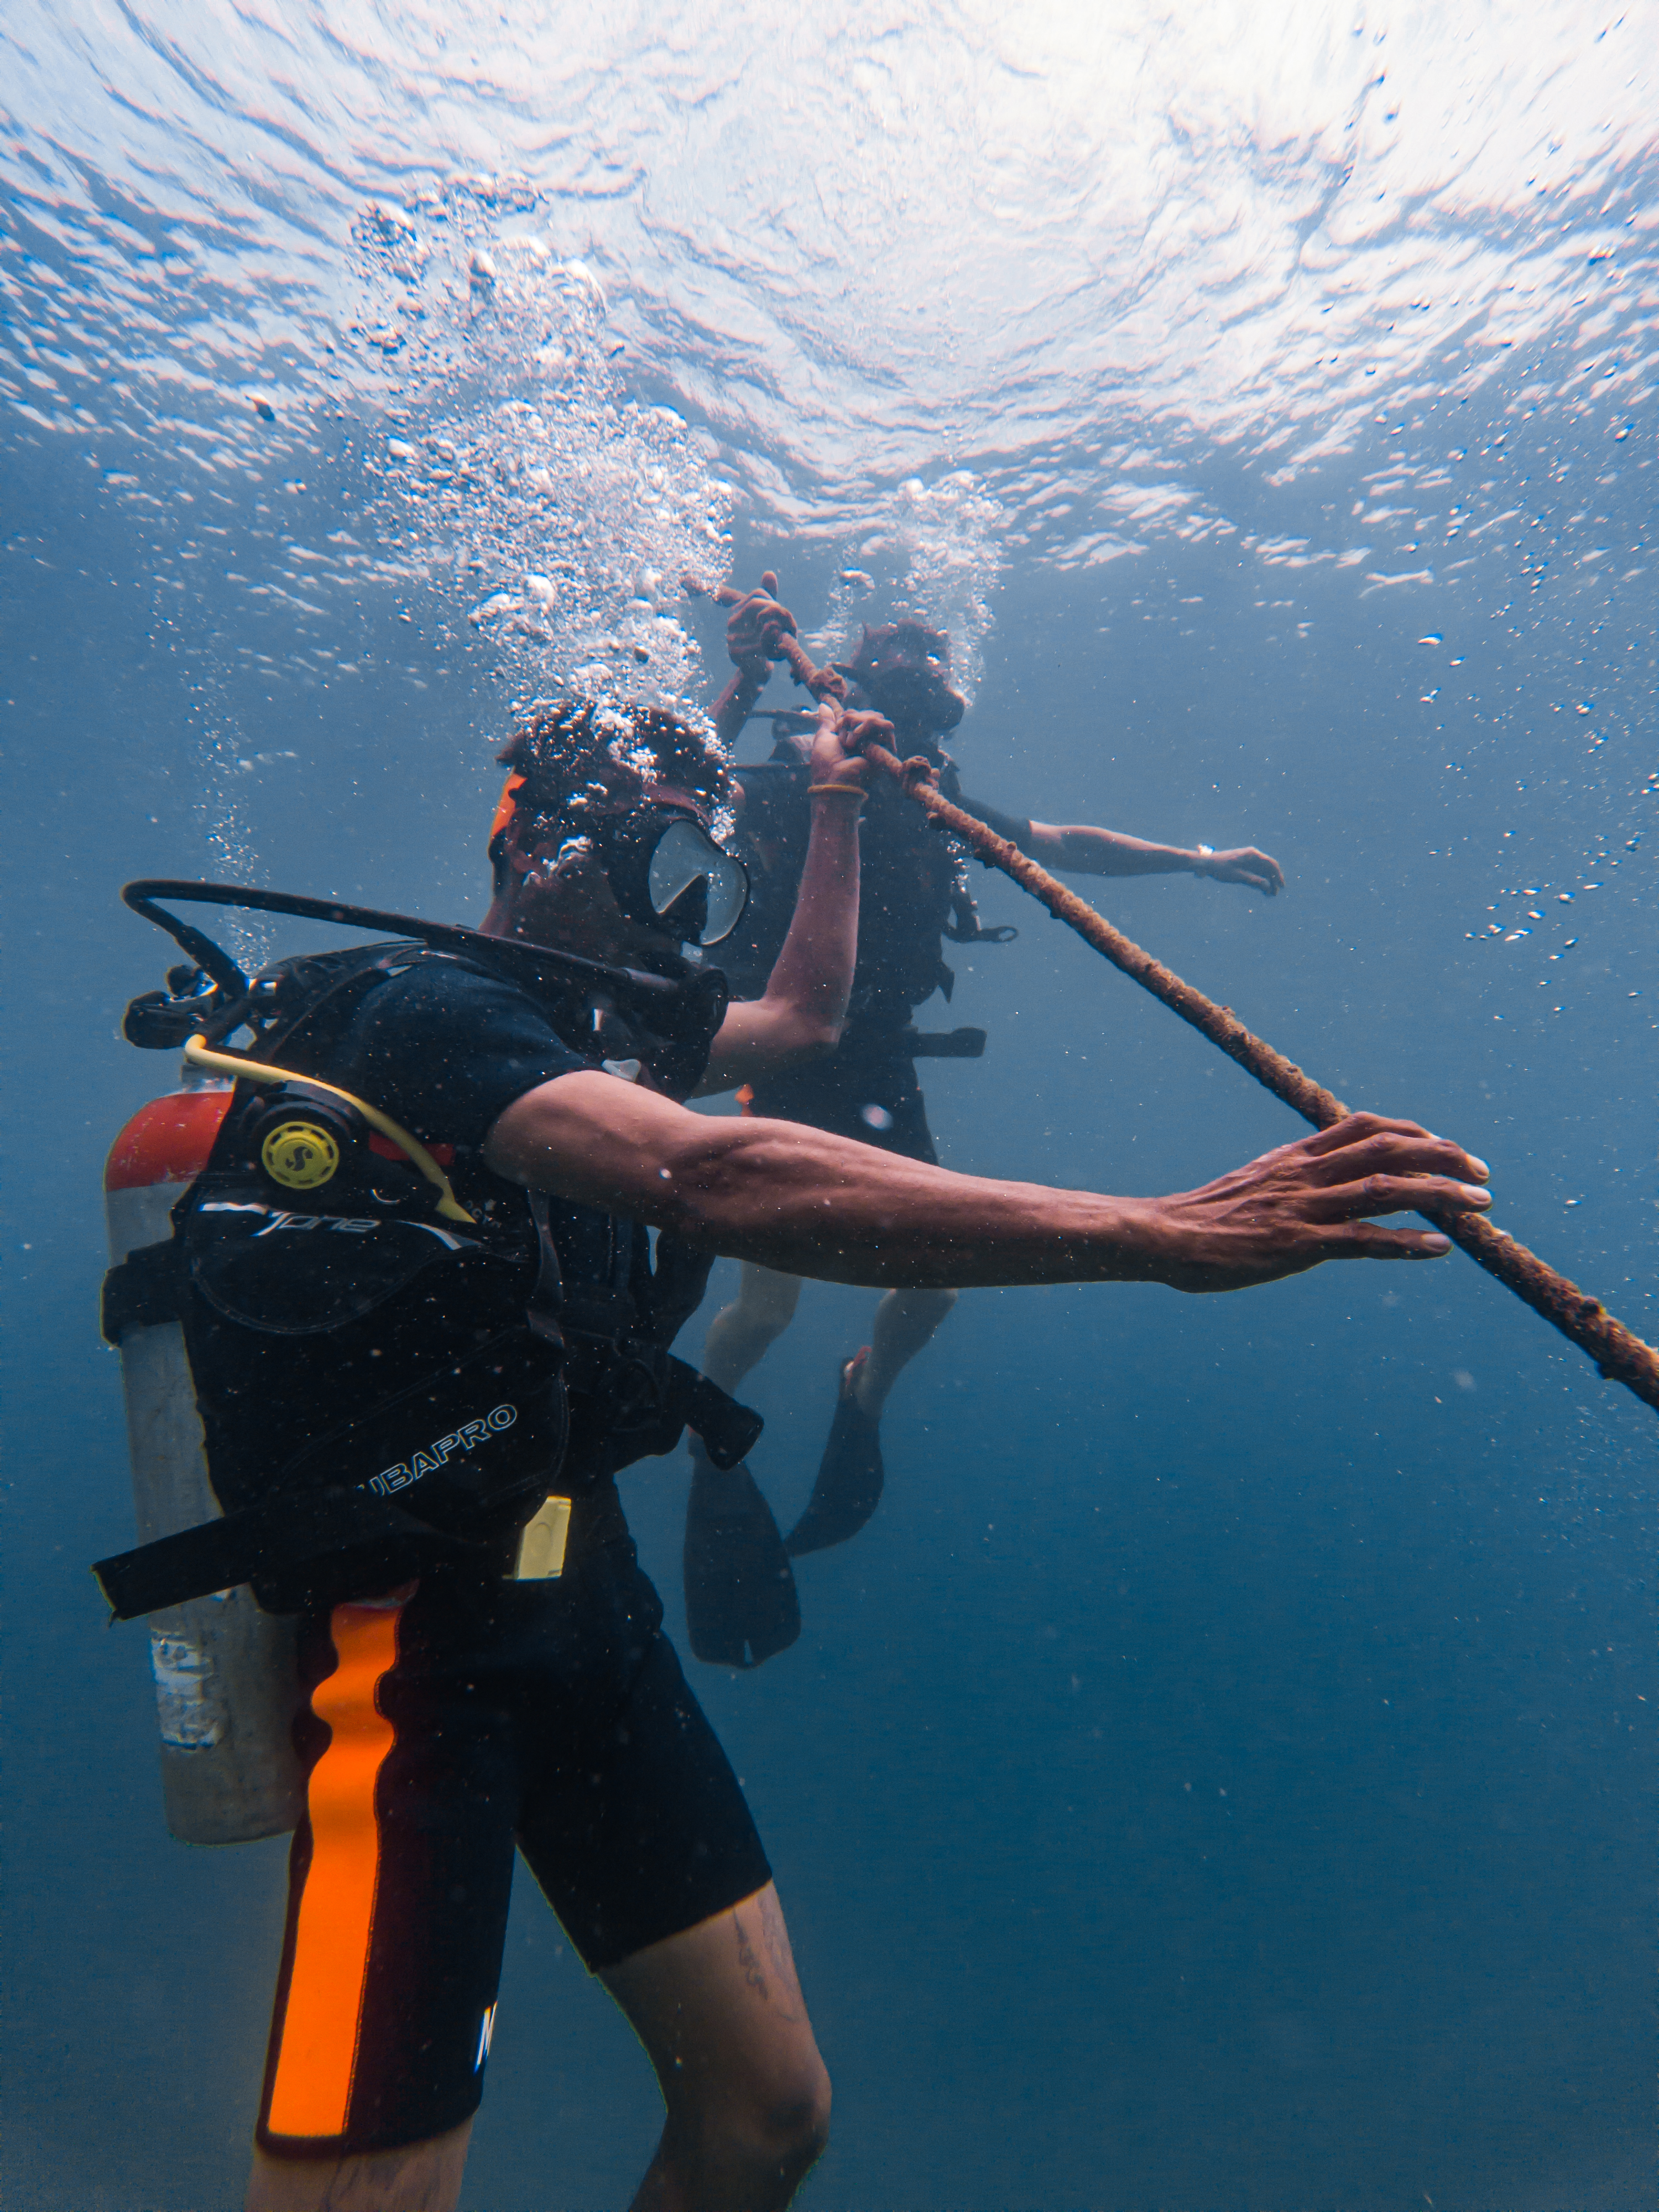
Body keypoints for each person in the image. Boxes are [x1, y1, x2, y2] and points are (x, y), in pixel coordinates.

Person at [111, 689, 1491, 2212]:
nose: (688, 920)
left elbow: (801, 1030)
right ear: (551, 853)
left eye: (710, 876)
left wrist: (832, 811)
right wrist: (1157, 1233)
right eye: (665, 868)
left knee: (767, 2119)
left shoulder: (575, 1031)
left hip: (591, 1616)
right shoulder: (423, 1016)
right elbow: (707, 1175)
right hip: (411, 1653)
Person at [695, 574, 1288, 1576]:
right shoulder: (804, 763)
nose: (924, 668)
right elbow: (686, 781)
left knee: (938, 1284)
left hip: (880, 1057)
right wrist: (746, 681)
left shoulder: (934, 796)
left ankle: (865, 1392)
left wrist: (1197, 860)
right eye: (904, 651)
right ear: (858, 670)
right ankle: (711, 1433)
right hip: (781, 1052)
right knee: (769, 1302)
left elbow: (1062, 847)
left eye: (936, 656)